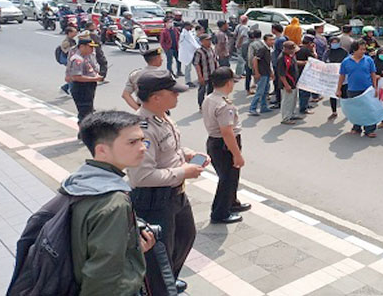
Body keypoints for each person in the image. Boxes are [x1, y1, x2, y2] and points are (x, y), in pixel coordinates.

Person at [128, 69, 208, 296]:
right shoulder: (141, 129)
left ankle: (169, 279)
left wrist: (188, 154)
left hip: (175, 195)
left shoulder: (163, 116)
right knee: (158, 255)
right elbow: (141, 177)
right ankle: (158, 288)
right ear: (155, 97)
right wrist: (183, 172)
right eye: (172, 92)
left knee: (186, 236)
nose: (177, 96)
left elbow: (170, 151)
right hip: (154, 200)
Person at [65, 110, 155, 295]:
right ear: (102, 150)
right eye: (132, 142)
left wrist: (132, 247)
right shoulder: (113, 203)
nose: (143, 148)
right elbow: (102, 277)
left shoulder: (78, 181)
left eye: (142, 140)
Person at [202, 67, 250, 224]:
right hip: (225, 145)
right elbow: (227, 132)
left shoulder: (210, 98)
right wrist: (237, 154)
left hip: (215, 142)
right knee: (227, 179)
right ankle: (220, 213)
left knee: (231, 177)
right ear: (229, 83)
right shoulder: (224, 105)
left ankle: (231, 203)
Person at [337, 40, 379, 138]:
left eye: (364, 49)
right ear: (354, 50)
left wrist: (375, 87)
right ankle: (356, 127)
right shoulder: (346, 62)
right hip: (352, 89)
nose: (363, 51)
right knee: (355, 110)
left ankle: (369, 129)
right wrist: (338, 89)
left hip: (367, 90)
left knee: (369, 109)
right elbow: (342, 76)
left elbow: (373, 74)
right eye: (361, 49)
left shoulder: (369, 60)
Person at [66, 36, 103, 126]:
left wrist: (96, 75)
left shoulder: (87, 56)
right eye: (90, 47)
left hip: (88, 86)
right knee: (84, 112)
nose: (92, 49)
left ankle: (85, 132)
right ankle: (84, 133)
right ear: (82, 46)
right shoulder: (77, 59)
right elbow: (77, 77)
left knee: (89, 110)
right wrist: (95, 79)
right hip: (81, 87)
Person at [248, 34, 275, 116]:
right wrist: (256, 72)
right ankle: (252, 108)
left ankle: (264, 107)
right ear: (266, 41)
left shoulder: (269, 49)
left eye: (273, 40)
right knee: (259, 91)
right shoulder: (262, 49)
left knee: (265, 91)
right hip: (262, 73)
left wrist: (271, 72)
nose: (272, 42)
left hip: (266, 73)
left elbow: (267, 63)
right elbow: (255, 60)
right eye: (270, 40)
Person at [324, 36, 348, 120]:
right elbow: (324, 62)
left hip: (343, 77)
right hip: (332, 78)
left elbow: (348, 61)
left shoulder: (344, 52)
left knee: (345, 95)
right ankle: (334, 112)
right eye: (333, 42)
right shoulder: (328, 52)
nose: (335, 44)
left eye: (336, 42)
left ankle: (348, 112)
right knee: (332, 95)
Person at [277, 41, 300, 125]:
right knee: (287, 101)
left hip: (294, 82)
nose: (293, 51)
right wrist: (286, 85)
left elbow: (294, 64)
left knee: (293, 100)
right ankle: (286, 118)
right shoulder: (282, 58)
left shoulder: (291, 56)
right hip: (287, 83)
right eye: (291, 49)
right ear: (286, 49)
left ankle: (292, 114)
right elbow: (281, 74)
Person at [194, 33, 219, 108]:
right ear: (202, 41)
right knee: (202, 90)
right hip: (204, 74)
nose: (209, 42)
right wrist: (200, 76)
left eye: (210, 40)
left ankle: (209, 104)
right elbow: (197, 64)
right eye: (207, 40)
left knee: (211, 90)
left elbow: (215, 60)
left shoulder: (211, 49)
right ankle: (201, 105)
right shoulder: (199, 52)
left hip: (212, 73)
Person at [271, 24, 288, 109]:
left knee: (278, 82)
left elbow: (282, 52)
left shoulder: (280, 40)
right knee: (276, 82)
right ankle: (278, 99)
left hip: (278, 64)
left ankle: (279, 101)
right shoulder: (278, 39)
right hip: (275, 63)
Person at [178, 21, 199, 88]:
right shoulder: (184, 34)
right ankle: (188, 81)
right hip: (187, 53)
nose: (191, 27)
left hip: (192, 52)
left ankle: (199, 78)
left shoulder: (189, 33)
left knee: (197, 66)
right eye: (190, 26)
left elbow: (194, 42)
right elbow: (190, 43)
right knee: (188, 68)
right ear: (186, 26)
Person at [59, 27, 78, 95]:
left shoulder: (72, 40)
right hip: (68, 60)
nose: (76, 33)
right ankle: (71, 89)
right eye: (74, 32)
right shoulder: (66, 42)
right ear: (69, 33)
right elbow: (66, 51)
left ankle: (65, 88)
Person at [244, 29, 263, 95]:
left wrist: (251, 66)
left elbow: (250, 56)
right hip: (261, 64)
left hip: (251, 63)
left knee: (248, 76)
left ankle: (249, 90)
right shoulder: (263, 43)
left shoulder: (251, 44)